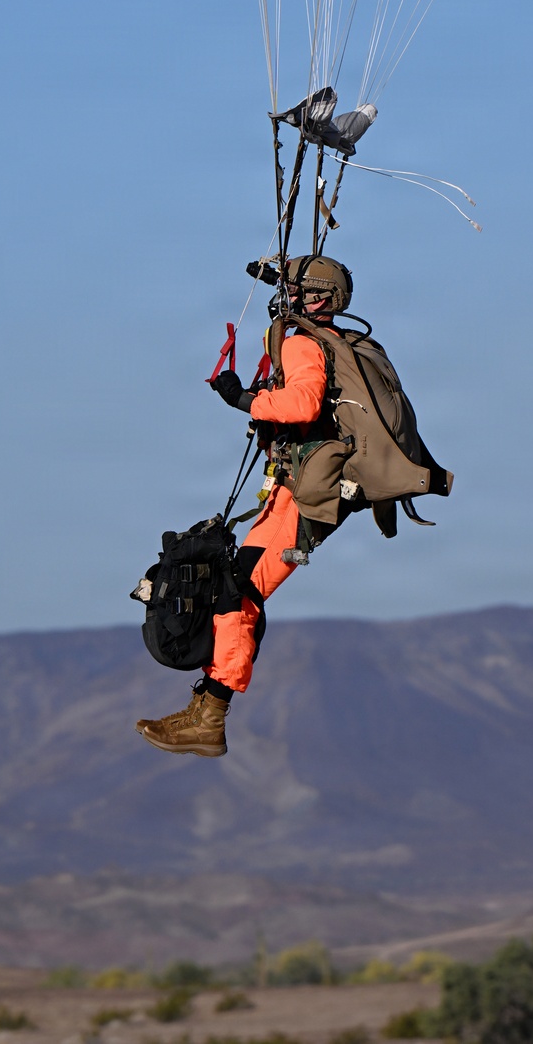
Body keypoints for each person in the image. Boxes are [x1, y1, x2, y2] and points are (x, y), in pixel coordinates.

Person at [136, 255, 353, 758]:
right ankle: (206, 710)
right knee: (238, 587)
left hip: (305, 499)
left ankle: (209, 720)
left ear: (316, 298)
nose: (286, 298)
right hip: (298, 492)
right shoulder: (333, 342)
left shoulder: (303, 343)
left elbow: (303, 404)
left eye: (294, 290)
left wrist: (244, 400)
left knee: (238, 594)